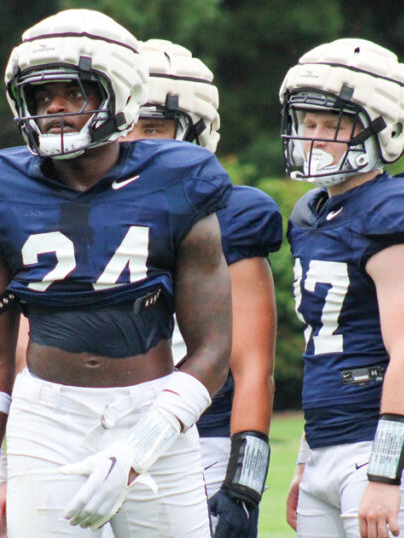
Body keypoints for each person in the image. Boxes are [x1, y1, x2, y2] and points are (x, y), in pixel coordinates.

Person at [0, 9, 233, 538]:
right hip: (48, 417)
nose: (52, 108)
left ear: (119, 94)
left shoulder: (179, 179)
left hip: (158, 410)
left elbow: (214, 351)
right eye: (40, 96)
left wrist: (138, 449)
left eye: (73, 92)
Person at [279, 38, 404, 538]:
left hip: (384, 447)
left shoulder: (398, 207)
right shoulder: (312, 214)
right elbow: (325, 350)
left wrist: (384, 472)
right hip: (327, 446)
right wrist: (306, 458)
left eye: (331, 124)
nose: (313, 137)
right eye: (307, 122)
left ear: (384, 126)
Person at [122, 38, 281, 538]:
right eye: (123, 123)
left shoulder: (230, 214)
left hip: (200, 440)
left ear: (195, 131)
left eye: (151, 126)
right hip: (93, 435)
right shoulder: (67, 208)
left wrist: (243, 486)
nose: (133, 142)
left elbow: (253, 366)